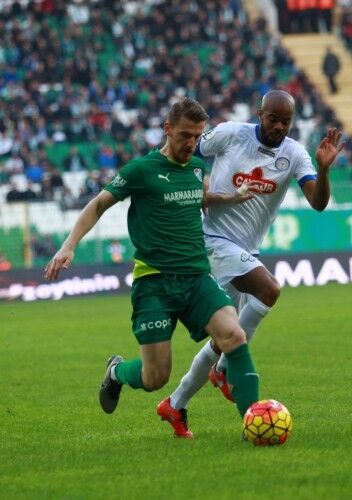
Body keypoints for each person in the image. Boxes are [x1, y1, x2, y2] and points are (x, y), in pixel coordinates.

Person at [44, 97, 260, 439]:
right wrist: (69, 245)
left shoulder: (195, 168)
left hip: (196, 278)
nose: (191, 143)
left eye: (197, 136)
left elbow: (198, 197)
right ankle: (116, 372)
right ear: (167, 129)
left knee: (234, 334)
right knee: (155, 377)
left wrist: (232, 197)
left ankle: (254, 422)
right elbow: (98, 205)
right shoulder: (141, 171)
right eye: (185, 135)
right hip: (154, 284)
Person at [159, 90, 344, 437]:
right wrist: (196, 186)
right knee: (269, 290)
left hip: (246, 251)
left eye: (286, 121)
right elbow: (183, 153)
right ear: (260, 114)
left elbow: (318, 203)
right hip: (211, 239)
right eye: (273, 119)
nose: (279, 127)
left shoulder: (294, 154)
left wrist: (323, 169)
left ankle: (175, 403)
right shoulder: (231, 134)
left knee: (225, 337)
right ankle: (225, 369)